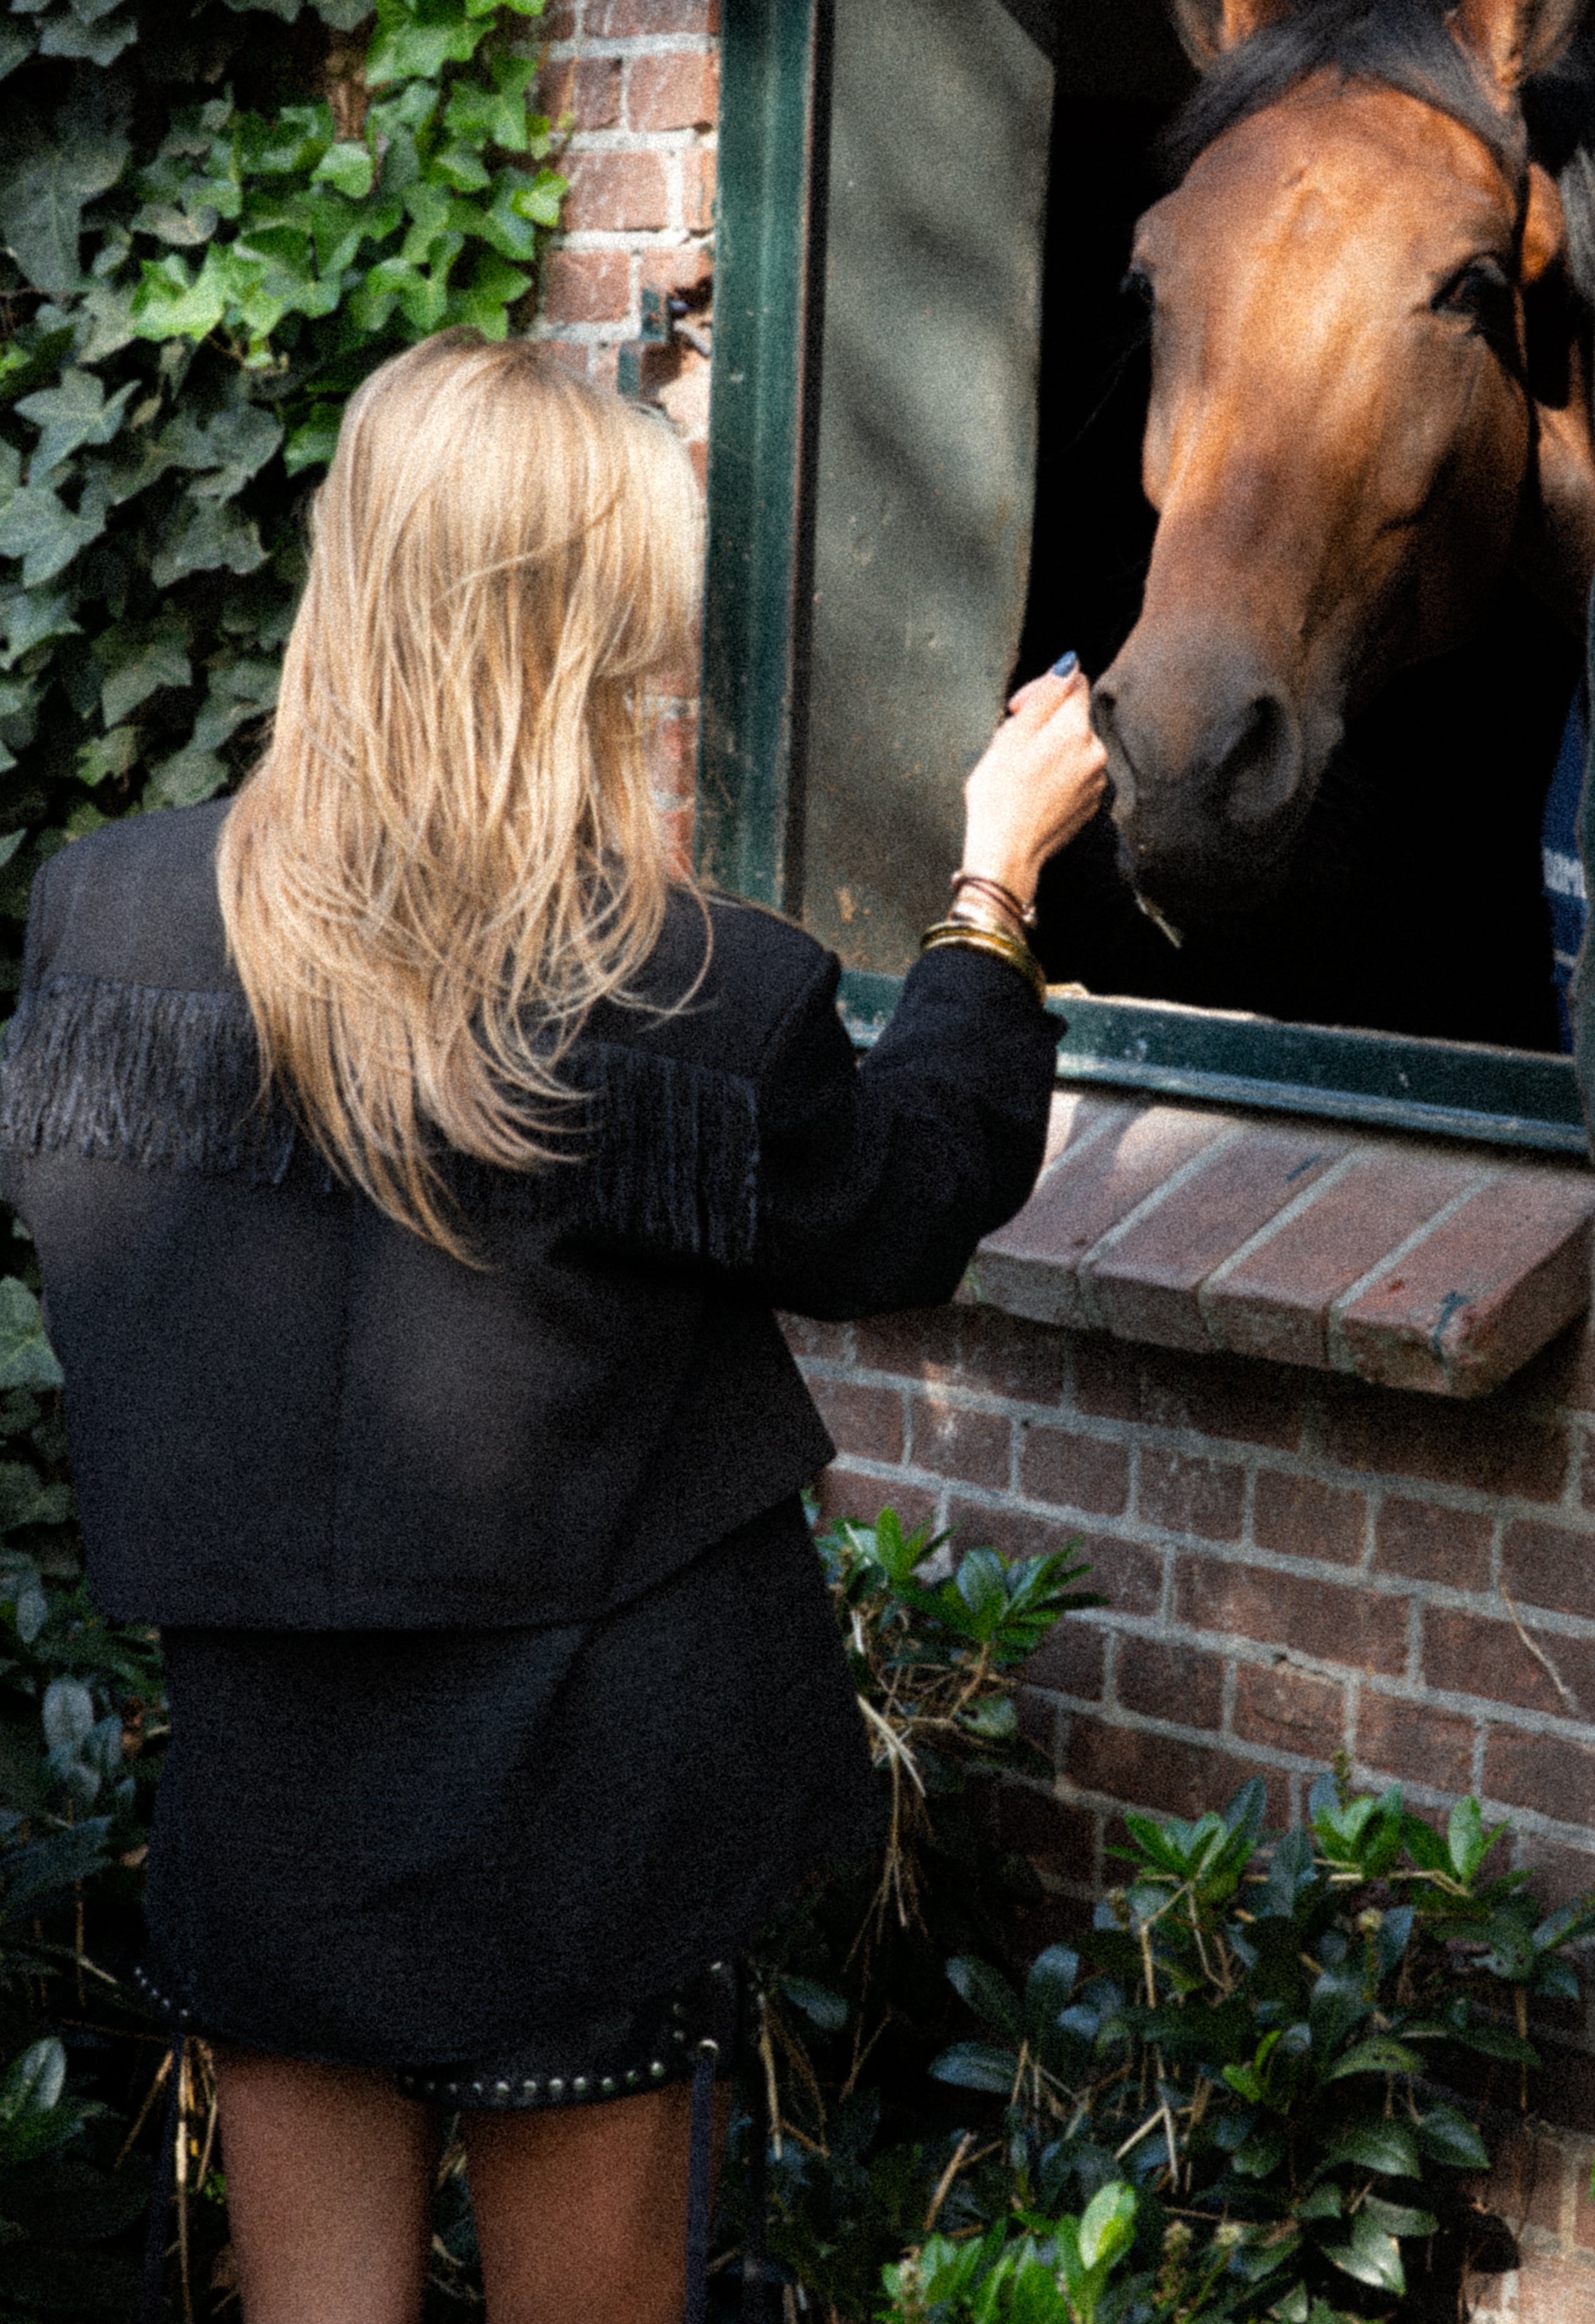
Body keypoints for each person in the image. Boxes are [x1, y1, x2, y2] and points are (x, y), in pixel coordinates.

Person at [0, 329, 1107, 2324]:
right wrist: (994, 884)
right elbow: (914, 1190)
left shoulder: (109, 920)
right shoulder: (683, 992)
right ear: (586, 635)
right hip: (584, 1776)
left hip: (276, 1757)